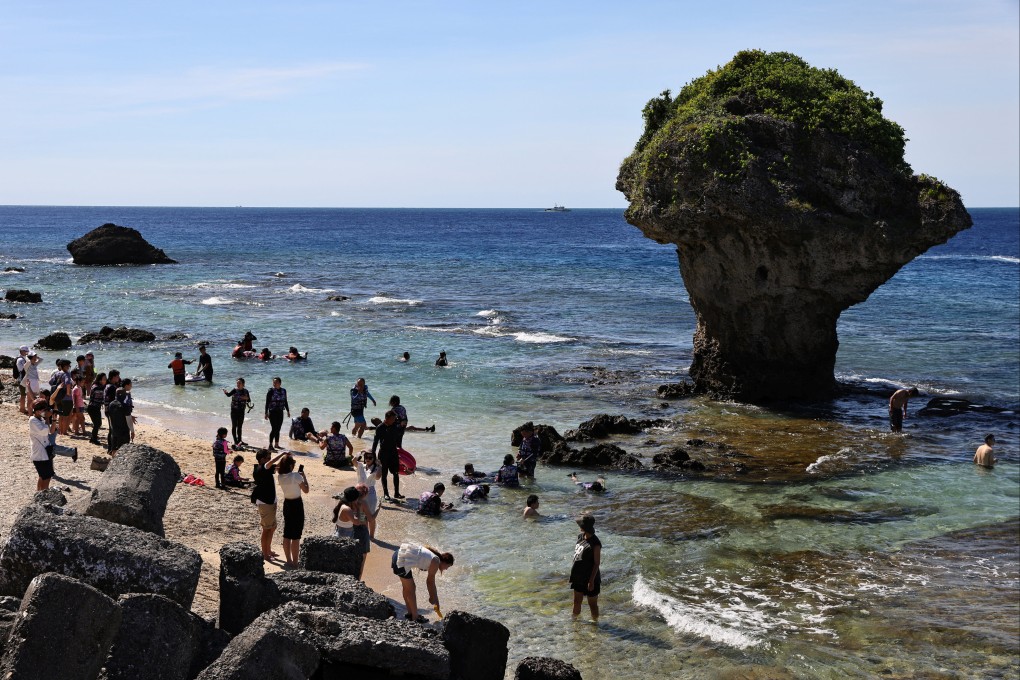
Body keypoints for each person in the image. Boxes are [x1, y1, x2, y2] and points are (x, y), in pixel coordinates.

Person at [391, 543, 454, 622]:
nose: (446, 569)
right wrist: (432, 598)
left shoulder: (433, 556)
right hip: (401, 561)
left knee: (407, 588)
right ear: (444, 562)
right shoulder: (436, 561)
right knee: (411, 589)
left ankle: (410, 613)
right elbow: (430, 582)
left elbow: (431, 583)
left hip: (397, 555)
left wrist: (435, 599)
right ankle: (415, 617)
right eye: (448, 566)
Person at [252, 448, 288, 560]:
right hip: (265, 502)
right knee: (266, 529)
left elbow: (276, 466)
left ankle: (268, 549)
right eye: (268, 458)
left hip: (270, 501)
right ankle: (265, 554)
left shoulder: (265, 468)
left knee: (272, 527)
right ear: (262, 459)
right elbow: (271, 464)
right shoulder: (261, 468)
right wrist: (282, 453)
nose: (270, 460)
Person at [277, 454, 310, 567]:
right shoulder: (296, 476)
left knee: (287, 532)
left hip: (287, 503)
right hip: (296, 504)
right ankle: (295, 563)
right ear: (291, 465)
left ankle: (289, 560)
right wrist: (304, 477)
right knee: (296, 535)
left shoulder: (280, 476)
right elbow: (306, 490)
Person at [332, 485, 370, 578]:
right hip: (344, 537)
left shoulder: (342, 505)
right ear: (354, 499)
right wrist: (361, 510)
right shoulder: (347, 509)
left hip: (340, 533)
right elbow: (358, 522)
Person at [570, 514, 601, 621]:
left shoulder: (595, 543)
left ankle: (595, 624)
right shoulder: (580, 537)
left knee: (592, 605)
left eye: (581, 524)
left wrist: (591, 581)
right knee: (576, 602)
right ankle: (574, 623)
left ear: (585, 527)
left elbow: (597, 563)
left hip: (590, 578)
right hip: (578, 576)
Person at [372, 410, 402, 501]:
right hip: (383, 453)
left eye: (395, 418)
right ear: (387, 419)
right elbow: (375, 441)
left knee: (396, 473)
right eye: (393, 418)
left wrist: (401, 451)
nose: (395, 420)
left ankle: (397, 493)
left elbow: (398, 440)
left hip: (393, 453)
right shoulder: (380, 427)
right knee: (384, 474)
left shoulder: (395, 426)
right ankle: (386, 494)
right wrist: (373, 454)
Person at [29, 400, 56, 491]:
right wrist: (48, 418)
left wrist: (54, 419)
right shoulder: (33, 420)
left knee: (43, 476)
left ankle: (39, 494)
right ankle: (44, 495)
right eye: (43, 410)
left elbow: (50, 431)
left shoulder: (41, 419)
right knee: (46, 477)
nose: (44, 412)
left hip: (45, 453)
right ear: (37, 411)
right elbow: (44, 432)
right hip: (39, 455)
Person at [356, 450, 382, 538]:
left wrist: (379, 465)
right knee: (362, 515)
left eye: (370, 457)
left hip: (370, 493)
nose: (368, 459)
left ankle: (372, 536)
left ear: (374, 459)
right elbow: (353, 460)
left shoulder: (376, 468)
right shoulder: (361, 466)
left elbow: (378, 477)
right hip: (359, 493)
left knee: (370, 516)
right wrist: (361, 452)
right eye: (366, 457)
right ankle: (366, 534)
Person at [264, 377, 290, 451]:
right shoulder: (271, 391)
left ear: (280, 383)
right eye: (274, 382)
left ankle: (277, 444)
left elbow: (285, 401)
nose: (274, 384)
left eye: (276, 382)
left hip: (280, 412)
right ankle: (270, 445)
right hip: (272, 412)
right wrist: (266, 412)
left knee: (278, 428)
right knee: (274, 428)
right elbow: (267, 402)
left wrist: (288, 411)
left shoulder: (283, 390)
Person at [223, 378, 251, 446]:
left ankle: (240, 440)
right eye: (237, 383)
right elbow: (229, 395)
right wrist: (226, 392)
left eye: (239, 383)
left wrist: (245, 398)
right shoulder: (235, 390)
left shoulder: (246, 391)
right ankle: (235, 441)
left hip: (241, 411)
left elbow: (249, 400)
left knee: (240, 426)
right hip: (234, 411)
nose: (238, 384)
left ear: (243, 384)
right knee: (234, 426)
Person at [106, 388, 131, 455]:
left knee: (114, 449)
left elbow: (109, 416)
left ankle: (113, 464)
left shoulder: (111, 404)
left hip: (114, 431)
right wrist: (132, 431)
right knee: (124, 450)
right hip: (124, 431)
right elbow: (129, 419)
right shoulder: (125, 406)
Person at [87, 372, 107, 445]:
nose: (106, 380)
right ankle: (94, 439)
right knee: (97, 424)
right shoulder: (97, 387)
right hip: (93, 408)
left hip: (94, 407)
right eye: (104, 379)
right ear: (100, 380)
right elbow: (100, 399)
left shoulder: (97, 385)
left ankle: (93, 438)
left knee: (97, 424)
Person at [15, 345, 30, 414]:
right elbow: (21, 369)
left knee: (24, 394)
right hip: (21, 379)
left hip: (22, 378)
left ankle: (22, 408)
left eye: (27, 351)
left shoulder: (23, 358)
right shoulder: (20, 360)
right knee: (23, 395)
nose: (27, 352)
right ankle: (22, 408)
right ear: (21, 351)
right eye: (25, 351)